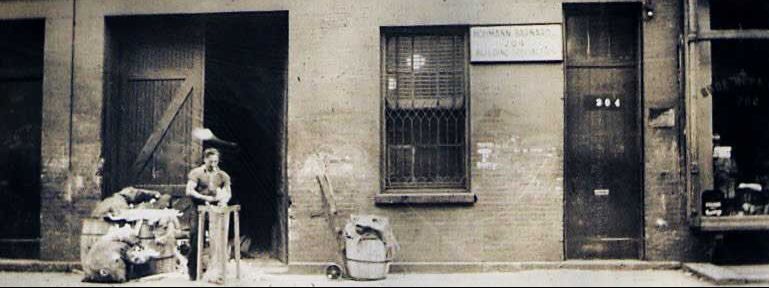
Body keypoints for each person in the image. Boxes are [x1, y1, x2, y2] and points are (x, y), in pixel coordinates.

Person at [185, 148, 232, 281]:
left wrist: (224, 200)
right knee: (195, 239)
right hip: (198, 209)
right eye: (210, 161)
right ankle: (193, 274)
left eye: (216, 161)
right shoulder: (197, 173)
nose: (213, 164)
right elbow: (189, 190)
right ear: (205, 159)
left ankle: (215, 272)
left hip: (214, 211)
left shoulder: (222, 175)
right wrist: (204, 198)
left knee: (217, 241)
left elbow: (228, 192)